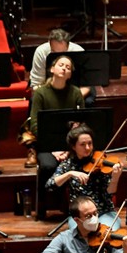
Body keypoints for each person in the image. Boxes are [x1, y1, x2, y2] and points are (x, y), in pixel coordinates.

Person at [26, 54, 85, 202]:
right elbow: (34, 124)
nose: (64, 69)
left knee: (81, 162)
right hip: (47, 143)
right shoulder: (40, 93)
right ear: (52, 69)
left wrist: (68, 148)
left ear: (70, 74)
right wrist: (53, 149)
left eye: (68, 67)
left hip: (70, 143)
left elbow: (82, 123)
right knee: (47, 165)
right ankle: (45, 206)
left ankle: (75, 205)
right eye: (61, 65)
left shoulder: (76, 93)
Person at [46, 123, 122, 230]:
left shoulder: (102, 163)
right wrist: (70, 173)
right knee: (83, 234)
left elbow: (109, 194)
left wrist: (115, 178)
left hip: (104, 212)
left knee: (107, 234)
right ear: (73, 146)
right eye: (82, 144)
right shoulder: (68, 165)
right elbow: (50, 185)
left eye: (90, 144)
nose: (87, 148)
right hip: (80, 216)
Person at [29, 28, 91, 101]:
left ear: (68, 45)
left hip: (74, 90)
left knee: (89, 101)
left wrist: (72, 99)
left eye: (62, 53)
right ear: (49, 43)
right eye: (54, 52)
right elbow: (36, 83)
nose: (59, 57)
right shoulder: (41, 52)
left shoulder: (79, 51)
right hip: (49, 91)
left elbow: (86, 86)